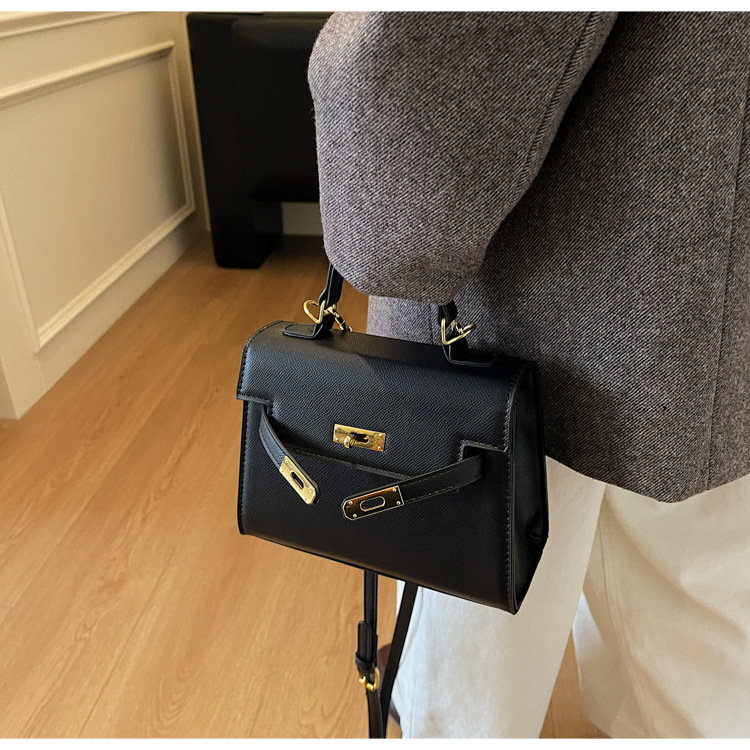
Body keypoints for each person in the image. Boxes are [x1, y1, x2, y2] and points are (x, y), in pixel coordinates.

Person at [307, 11, 750, 738]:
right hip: (713, 297)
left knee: (468, 671)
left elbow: (418, 62)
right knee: (702, 652)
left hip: (522, 320)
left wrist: (372, 207)